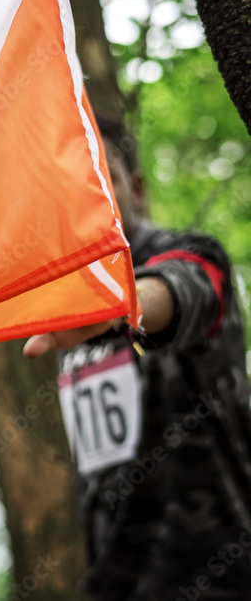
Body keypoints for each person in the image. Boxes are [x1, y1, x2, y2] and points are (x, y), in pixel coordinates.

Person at [23, 119, 251, 600]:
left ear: (138, 188)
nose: (84, 193)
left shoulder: (186, 252)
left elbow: (187, 286)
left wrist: (128, 302)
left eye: (100, 174)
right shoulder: (60, 310)